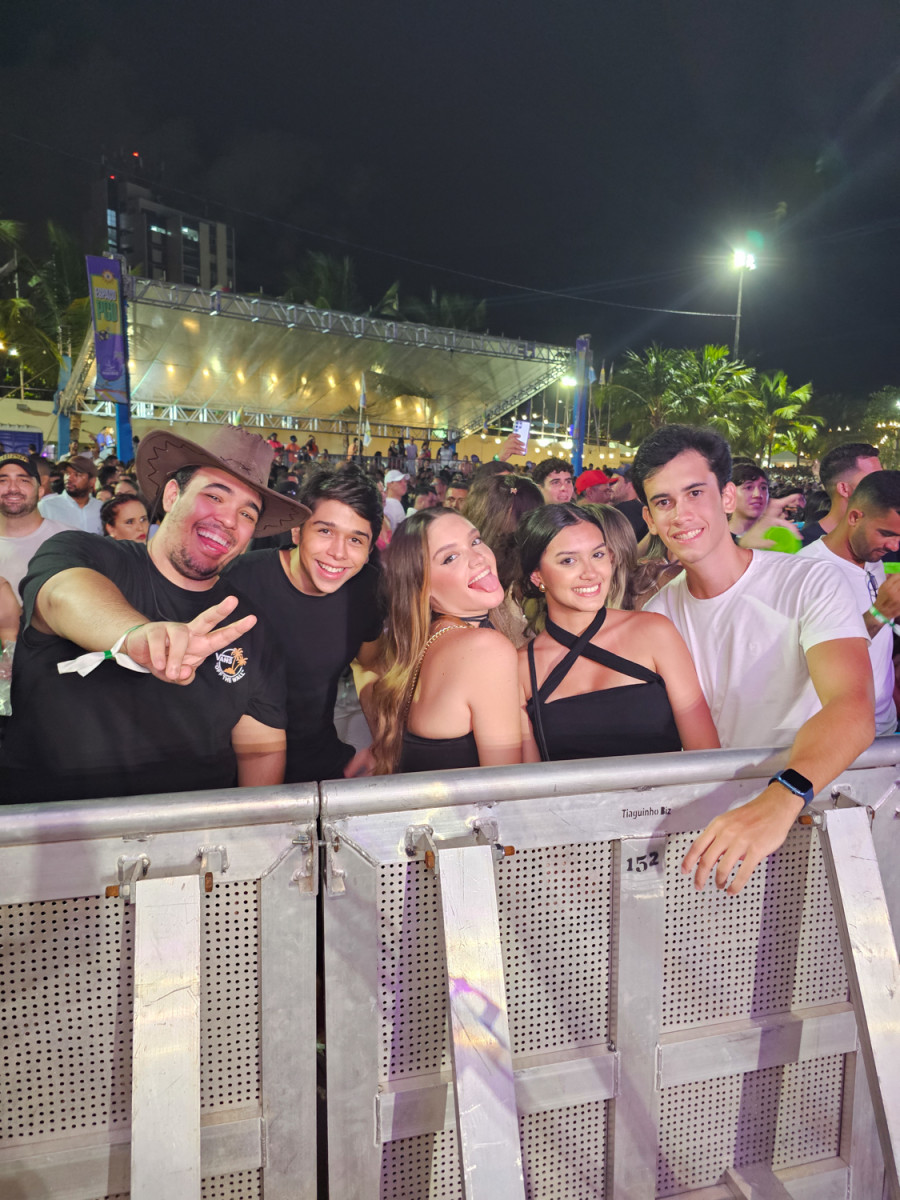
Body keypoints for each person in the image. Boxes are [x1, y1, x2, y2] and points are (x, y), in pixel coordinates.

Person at [0, 424, 306, 803]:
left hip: (190, 832)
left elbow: (259, 751)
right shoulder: (84, 552)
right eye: (214, 496)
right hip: (59, 827)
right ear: (173, 495)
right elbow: (62, 595)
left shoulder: (247, 626)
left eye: (247, 513)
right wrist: (136, 636)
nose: (229, 520)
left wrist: (250, 829)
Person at [633, 424, 873, 894]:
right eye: (664, 502)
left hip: (804, 811)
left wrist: (782, 796)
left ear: (726, 497)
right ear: (649, 518)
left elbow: (852, 704)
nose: (681, 515)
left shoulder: (808, 582)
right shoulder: (656, 616)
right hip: (708, 833)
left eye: (695, 493)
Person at [517, 504, 718, 761]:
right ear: (538, 577)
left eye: (598, 555)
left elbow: (705, 752)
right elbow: (529, 779)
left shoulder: (654, 632)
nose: (591, 573)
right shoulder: (521, 668)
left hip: (673, 789)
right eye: (569, 561)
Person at [226, 465, 384, 782]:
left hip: (319, 764)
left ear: (369, 551)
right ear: (297, 532)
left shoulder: (367, 589)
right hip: (232, 771)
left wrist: (383, 741)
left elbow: (369, 665)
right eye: (325, 531)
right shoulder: (240, 580)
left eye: (355, 539)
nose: (338, 553)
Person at [370, 508, 521, 774]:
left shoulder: (430, 640)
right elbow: (509, 786)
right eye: (450, 558)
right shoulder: (484, 649)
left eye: (475, 541)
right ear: (422, 587)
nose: (478, 558)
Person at [798, 470, 900, 736]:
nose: (894, 545)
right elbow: (814, 660)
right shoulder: (807, 570)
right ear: (855, 517)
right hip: (841, 733)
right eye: (886, 533)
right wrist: (880, 612)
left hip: (884, 724)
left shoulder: (873, 559)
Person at [0, 453, 69, 598]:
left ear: (40, 491)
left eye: (23, 480)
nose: (12, 488)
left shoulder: (69, 541)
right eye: (3, 481)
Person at [801, 442, 881, 546]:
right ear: (844, 489)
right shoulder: (803, 546)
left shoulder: (890, 539)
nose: (883, 485)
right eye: (874, 479)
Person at [38, 455, 103, 534]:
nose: (69, 478)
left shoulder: (101, 508)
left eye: (77, 474)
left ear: (92, 481)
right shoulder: (46, 506)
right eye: (67, 473)